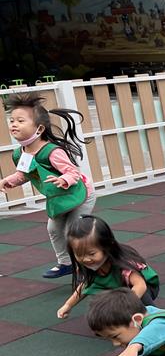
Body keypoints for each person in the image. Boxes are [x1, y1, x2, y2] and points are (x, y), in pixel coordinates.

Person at [0, 92, 95, 278]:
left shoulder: (52, 152)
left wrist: (63, 179)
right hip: (59, 197)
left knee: (74, 230)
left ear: (39, 128)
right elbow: (24, 174)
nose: (14, 124)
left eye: (20, 120)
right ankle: (66, 263)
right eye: (12, 120)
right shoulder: (21, 153)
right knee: (53, 229)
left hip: (80, 194)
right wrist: (8, 181)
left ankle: (90, 264)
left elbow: (73, 172)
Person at [57, 214, 160, 319]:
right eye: (79, 255)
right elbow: (86, 285)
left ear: (108, 245)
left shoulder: (123, 264)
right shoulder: (89, 265)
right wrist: (68, 305)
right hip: (117, 287)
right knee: (100, 299)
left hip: (142, 287)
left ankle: (153, 317)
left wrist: (125, 305)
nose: (85, 259)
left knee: (139, 303)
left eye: (91, 253)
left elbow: (140, 285)